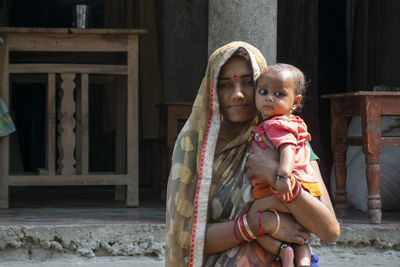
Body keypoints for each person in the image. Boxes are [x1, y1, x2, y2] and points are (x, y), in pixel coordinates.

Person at [165, 41, 340, 267]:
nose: (237, 94)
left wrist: (275, 176)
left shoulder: (290, 141)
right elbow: (185, 239)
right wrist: (258, 224)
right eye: (225, 84)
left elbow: (329, 231)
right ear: (211, 90)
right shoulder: (194, 148)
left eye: (248, 83)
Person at [248, 63, 322, 267]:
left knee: (253, 218)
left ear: (295, 101)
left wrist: (281, 176)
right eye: (263, 92)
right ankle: (302, 262)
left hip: (286, 188)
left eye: (279, 94)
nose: (269, 98)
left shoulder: (277, 124)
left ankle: (283, 252)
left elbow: (287, 149)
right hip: (303, 191)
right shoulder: (288, 123)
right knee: (300, 236)